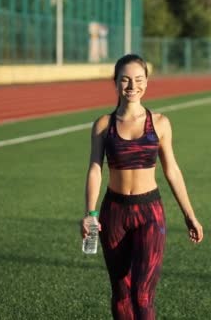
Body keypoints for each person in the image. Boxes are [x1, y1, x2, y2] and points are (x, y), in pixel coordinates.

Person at [81, 54, 204, 320]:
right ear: (115, 83)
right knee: (121, 293)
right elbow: (95, 169)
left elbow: (172, 170)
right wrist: (90, 213)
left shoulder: (160, 123)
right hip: (114, 214)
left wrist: (189, 215)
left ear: (146, 82)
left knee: (142, 294)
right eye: (125, 80)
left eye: (138, 79)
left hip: (149, 213)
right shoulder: (103, 125)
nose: (131, 86)